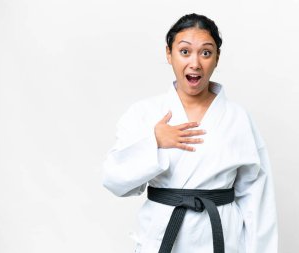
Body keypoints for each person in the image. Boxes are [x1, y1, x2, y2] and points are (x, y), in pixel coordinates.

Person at [102, 13, 278, 253]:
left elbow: (257, 196)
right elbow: (115, 181)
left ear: (217, 58)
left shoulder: (238, 118)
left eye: (206, 52)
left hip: (222, 239)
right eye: (185, 51)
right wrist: (155, 142)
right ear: (168, 54)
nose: (195, 63)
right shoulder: (144, 113)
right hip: (162, 237)